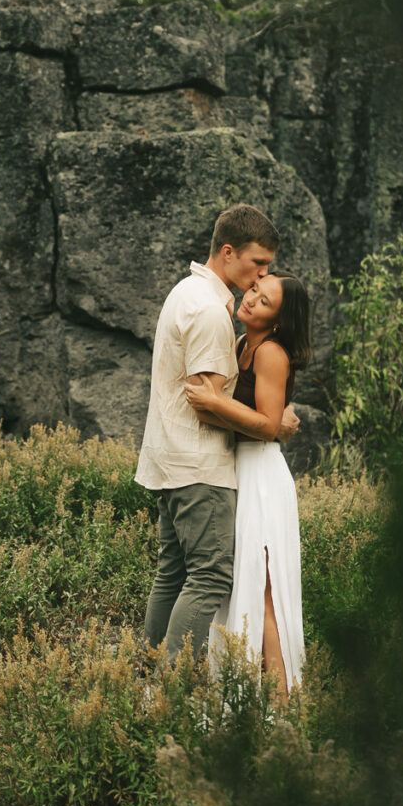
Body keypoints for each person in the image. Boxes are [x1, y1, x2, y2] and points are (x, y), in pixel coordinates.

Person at [135, 204, 299, 663]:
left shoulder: (186, 292)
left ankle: (147, 682)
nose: (263, 275)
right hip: (200, 465)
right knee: (208, 578)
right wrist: (273, 427)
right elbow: (206, 404)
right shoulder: (209, 311)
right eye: (258, 264)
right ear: (229, 253)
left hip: (172, 461)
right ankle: (169, 689)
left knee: (173, 573)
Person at [184, 271, 311, 703]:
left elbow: (269, 426)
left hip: (262, 479)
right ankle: (245, 696)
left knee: (266, 590)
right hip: (239, 472)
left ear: (278, 320)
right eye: (255, 288)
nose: (252, 298)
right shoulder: (241, 345)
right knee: (242, 585)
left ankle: (282, 708)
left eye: (266, 300)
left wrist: (217, 401)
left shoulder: (271, 352)